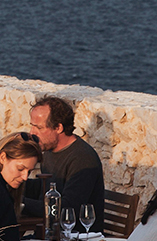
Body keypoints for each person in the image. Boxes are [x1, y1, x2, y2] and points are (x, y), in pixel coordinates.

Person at [20, 95, 105, 230]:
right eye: (32, 126)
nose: (32, 133)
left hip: (74, 237)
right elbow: (45, 186)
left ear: (58, 128)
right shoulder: (49, 150)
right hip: (50, 232)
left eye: (39, 128)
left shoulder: (83, 159)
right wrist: (12, 186)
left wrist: (21, 203)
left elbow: (67, 210)